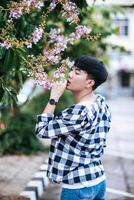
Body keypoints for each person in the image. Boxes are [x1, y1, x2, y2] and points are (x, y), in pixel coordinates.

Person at [35, 55, 111, 200]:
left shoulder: (80, 111)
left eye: (77, 72)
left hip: (78, 186)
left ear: (89, 83)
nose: (69, 74)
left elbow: (42, 130)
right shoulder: (101, 104)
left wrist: (54, 98)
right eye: (72, 69)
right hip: (98, 179)